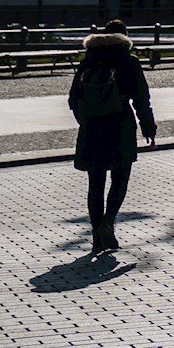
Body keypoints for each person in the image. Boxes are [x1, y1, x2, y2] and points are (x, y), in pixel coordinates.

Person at [66, 20, 156, 254]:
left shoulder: (88, 61)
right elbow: (141, 99)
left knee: (95, 183)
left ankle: (97, 235)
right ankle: (109, 222)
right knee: (120, 178)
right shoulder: (128, 62)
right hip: (120, 126)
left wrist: (85, 119)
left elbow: (73, 98)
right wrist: (149, 128)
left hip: (91, 128)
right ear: (125, 38)